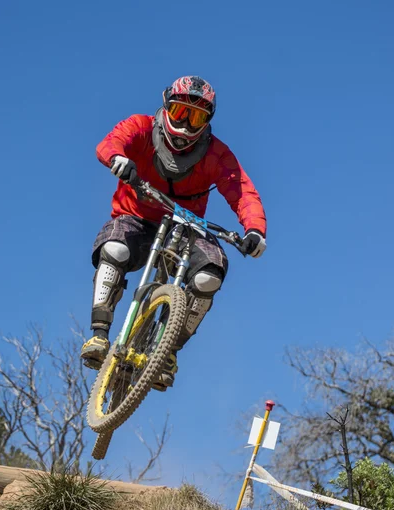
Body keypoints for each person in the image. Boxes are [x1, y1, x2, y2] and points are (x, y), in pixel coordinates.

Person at [81, 75, 267, 390]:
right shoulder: (141, 127)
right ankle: (99, 333)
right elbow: (110, 142)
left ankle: (166, 351)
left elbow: (242, 191)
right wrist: (118, 159)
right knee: (115, 250)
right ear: (166, 106)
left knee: (209, 275)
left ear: (208, 122)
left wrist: (254, 229)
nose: (185, 126)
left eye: (196, 118)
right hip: (136, 215)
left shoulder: (215, 154)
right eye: (181, 113)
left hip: (186, 224)